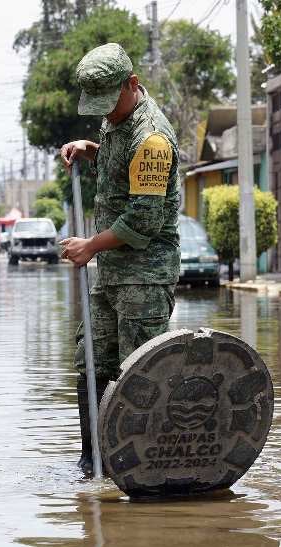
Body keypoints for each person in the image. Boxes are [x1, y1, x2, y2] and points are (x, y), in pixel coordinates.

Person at [58, 43, 181, 473]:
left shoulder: (151, 139)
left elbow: (142, 221)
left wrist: (89, 246)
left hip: (144, 281)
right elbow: (117, 164)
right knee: (91, 361)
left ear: (132, 84)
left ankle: (137, 467)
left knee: (137, 376)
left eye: (109, 103)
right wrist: (90, 149)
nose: (105, 113)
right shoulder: (117, 122)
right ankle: (93, 462)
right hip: (112, 278)